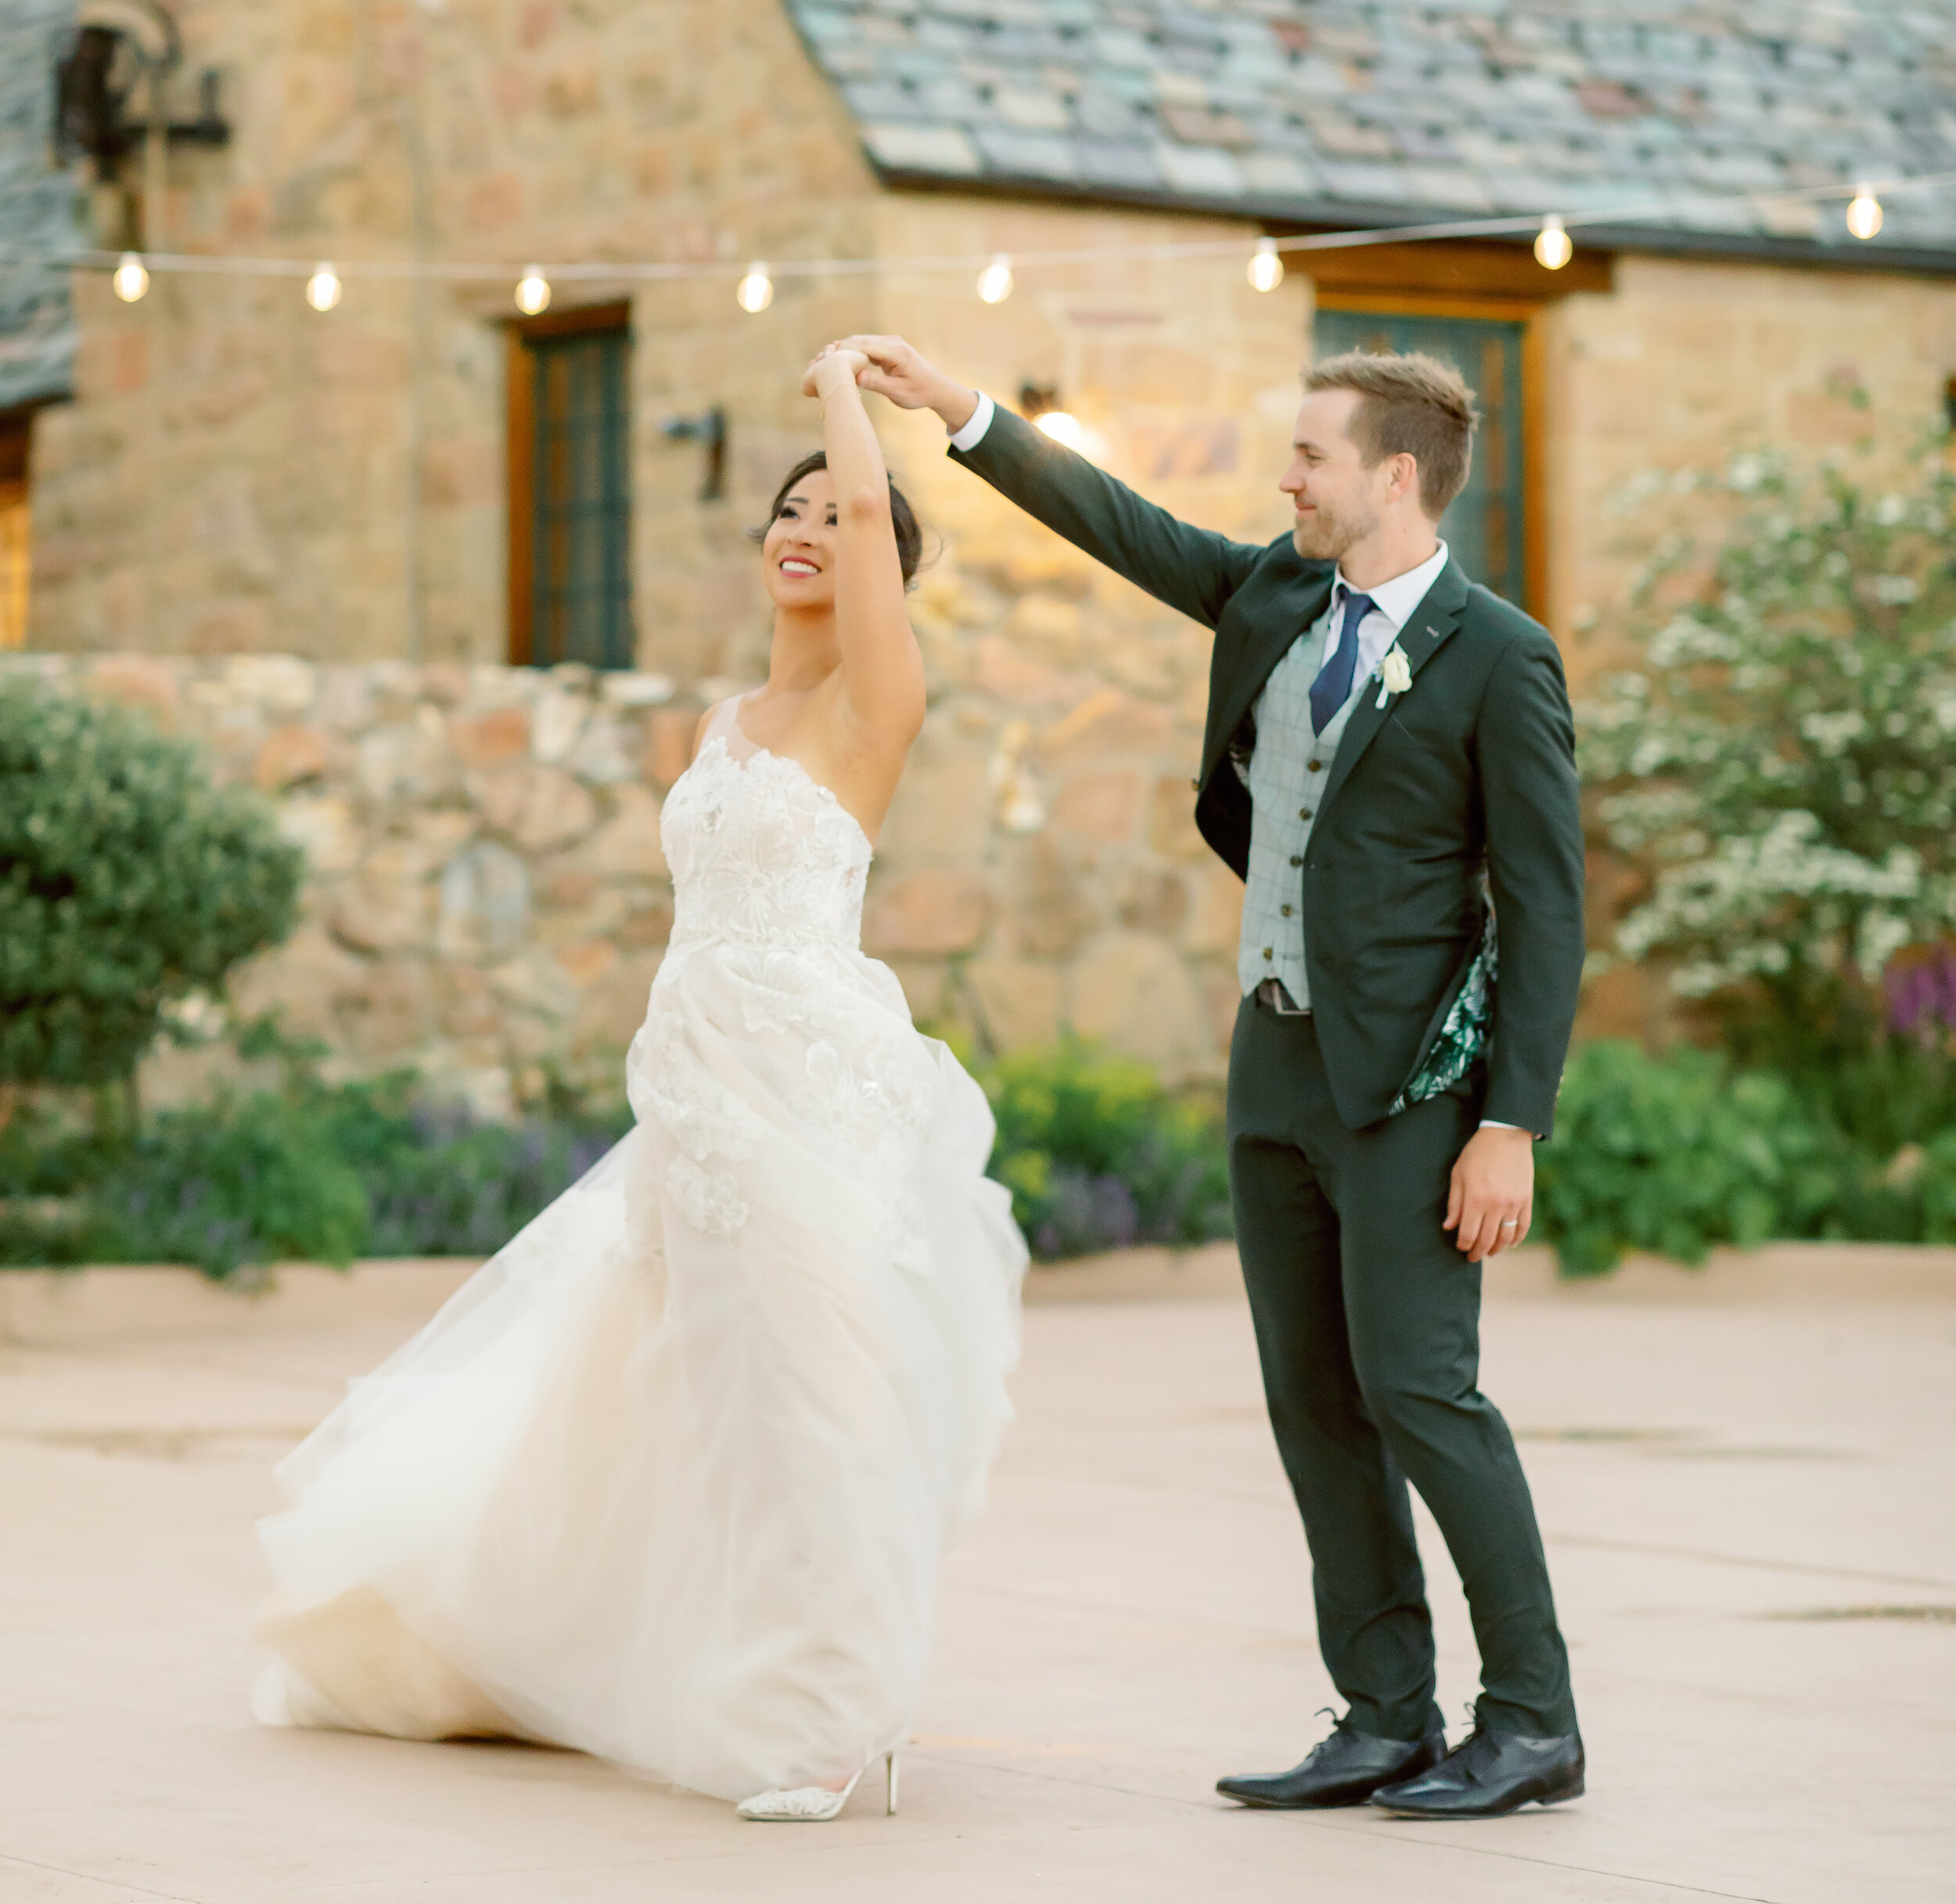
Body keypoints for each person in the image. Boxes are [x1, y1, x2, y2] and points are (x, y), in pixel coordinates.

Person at [252, 345, 1026, 1823]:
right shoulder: (723, 722)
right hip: (694, 1089)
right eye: (785, 512)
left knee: (816, 1389)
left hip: (805, 1084)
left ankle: (840, 1712)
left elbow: (873, 513)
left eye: (833, 515)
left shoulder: (878, 703)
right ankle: (658, 1659)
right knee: (702, 1402)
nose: (805, 524)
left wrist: (843, 394)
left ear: (877, 567)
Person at [828, 335, 1587, 1821]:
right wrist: (963, 414)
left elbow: (1550, 903)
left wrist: (1511, 1121)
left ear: (1393, 474)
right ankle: (1384, 1712)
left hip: (1416, 1090)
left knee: (1421, 1392)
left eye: (1309, 455)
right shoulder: (1279, 593)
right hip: (1276, 1060)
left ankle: (1535, 1717)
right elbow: (1122, 525)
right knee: (1313, 1396)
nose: (1284, 478)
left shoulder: (1503, 655)